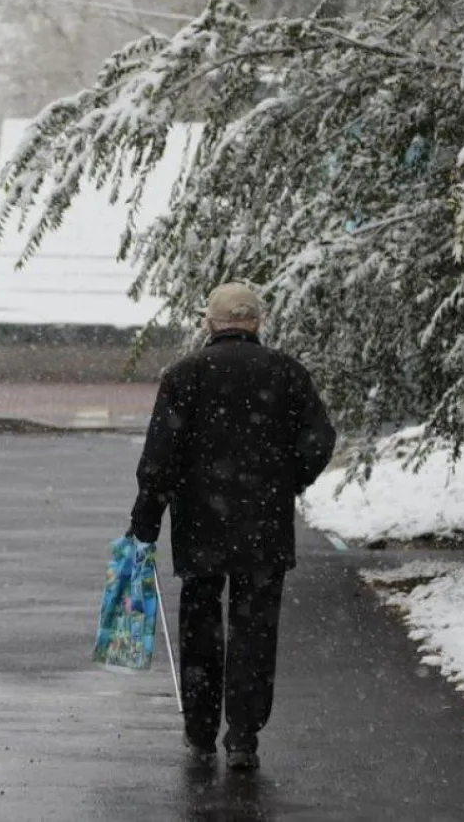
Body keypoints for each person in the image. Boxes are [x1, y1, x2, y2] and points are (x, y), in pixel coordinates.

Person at [127, 282, 336, 772]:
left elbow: (160, 458)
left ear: (209, 323)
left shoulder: (185, 376)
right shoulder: (285, 373)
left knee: (201, 625)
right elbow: (320, 438)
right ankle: (242, 736)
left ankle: (200, 732)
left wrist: (146, 521)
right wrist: (286, 480)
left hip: (200, 523)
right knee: (254, 630)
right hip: (264, 524)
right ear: (257, 322)